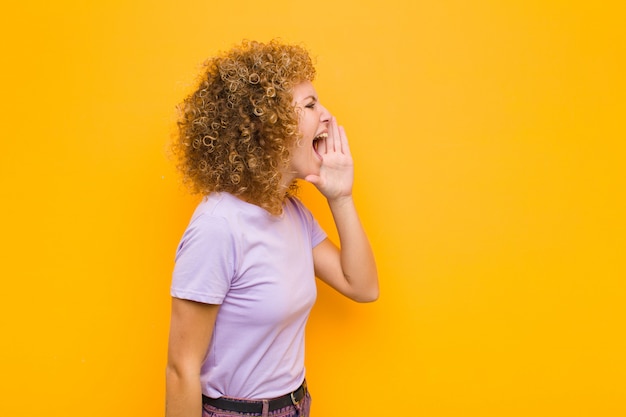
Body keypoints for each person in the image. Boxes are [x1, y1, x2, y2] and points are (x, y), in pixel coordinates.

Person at [165, 39, 378, 417]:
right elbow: (182, 370)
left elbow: (362, 287)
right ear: (269, 128)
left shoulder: (291, 214)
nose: (327, 115)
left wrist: (341, 197)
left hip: (296, 405)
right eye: (311, 105)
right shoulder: (219, 226)